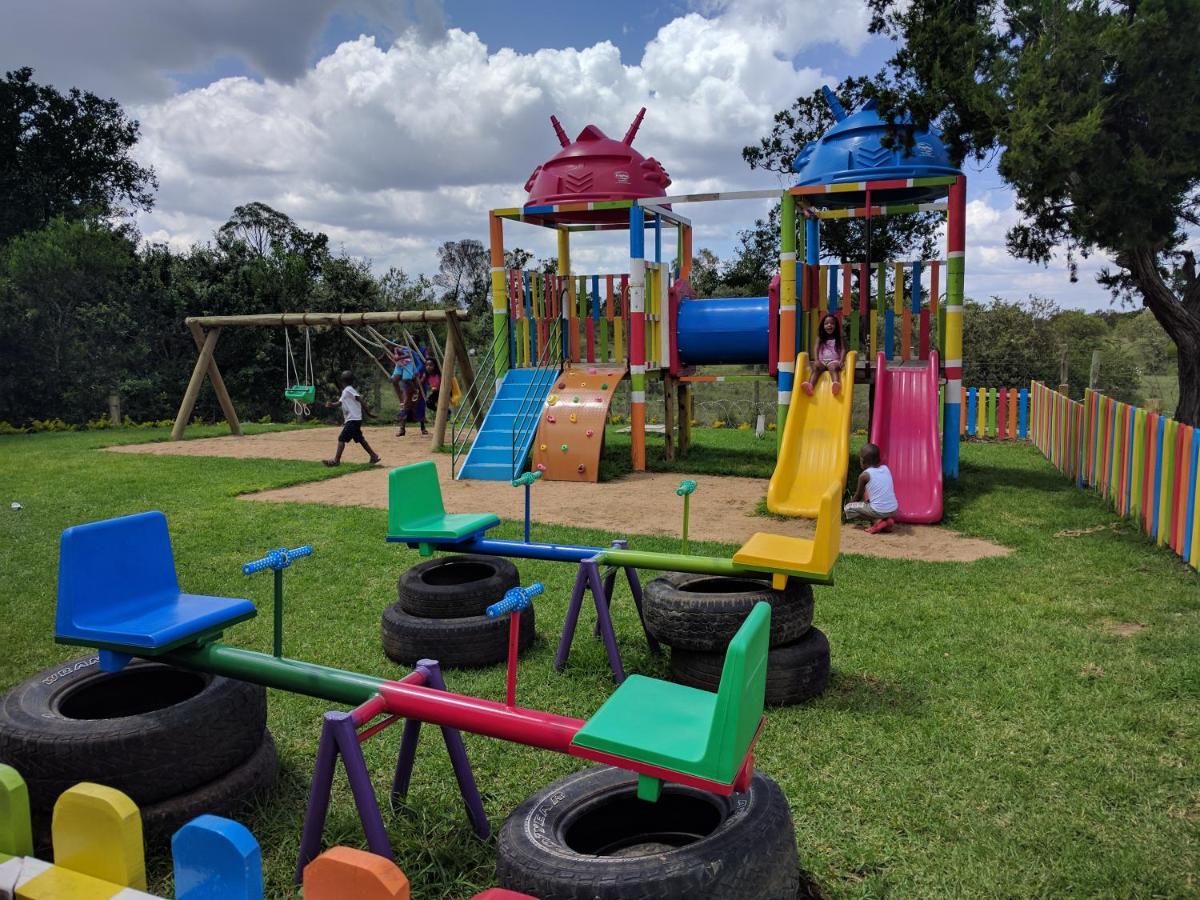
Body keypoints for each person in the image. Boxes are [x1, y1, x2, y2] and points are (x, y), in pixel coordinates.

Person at [323, 370, 380, 466]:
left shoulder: (348, 389)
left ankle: (336, 461)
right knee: (360, 439)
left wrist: (368, 413)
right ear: (352, 380)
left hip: (352, 420)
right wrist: (331, 404)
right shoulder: (346, 391)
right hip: (355, 419)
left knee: (341, 438)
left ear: (342, 381)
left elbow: (360, 399)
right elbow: (340, 403)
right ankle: (373, 456)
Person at [845, 442, 898, 534]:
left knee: (848, 509)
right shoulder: (886, 468)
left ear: (863, 461)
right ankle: (886, 521)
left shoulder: (864, 476)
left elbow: (858, 496)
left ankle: (877, 521)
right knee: (871, 500)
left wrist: (848, 505)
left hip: (879, 510)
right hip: (893, 509)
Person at [801, 313, 845, 397]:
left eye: (832, 323)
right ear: (823, 326)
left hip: (834, 360)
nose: (829, 325)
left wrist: (841, 360)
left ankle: (835, 384)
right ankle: (810, 386)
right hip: (822, 361)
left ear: (836, 326)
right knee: (816, 368)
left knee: (833, 368)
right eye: (826, 323)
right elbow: (816, 348)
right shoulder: (820, 337)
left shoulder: (839, 337)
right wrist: (816, 360)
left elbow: (843, 349)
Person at [387, 346, 426, 436]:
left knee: (419, 405)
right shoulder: (397, 352)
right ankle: (402, 429)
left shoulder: (412, 353)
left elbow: (420, 365)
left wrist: (416, 371)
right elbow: (399, 367)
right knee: (405, 405)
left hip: (415, 381)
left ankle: (423, 427)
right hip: (407, 384)